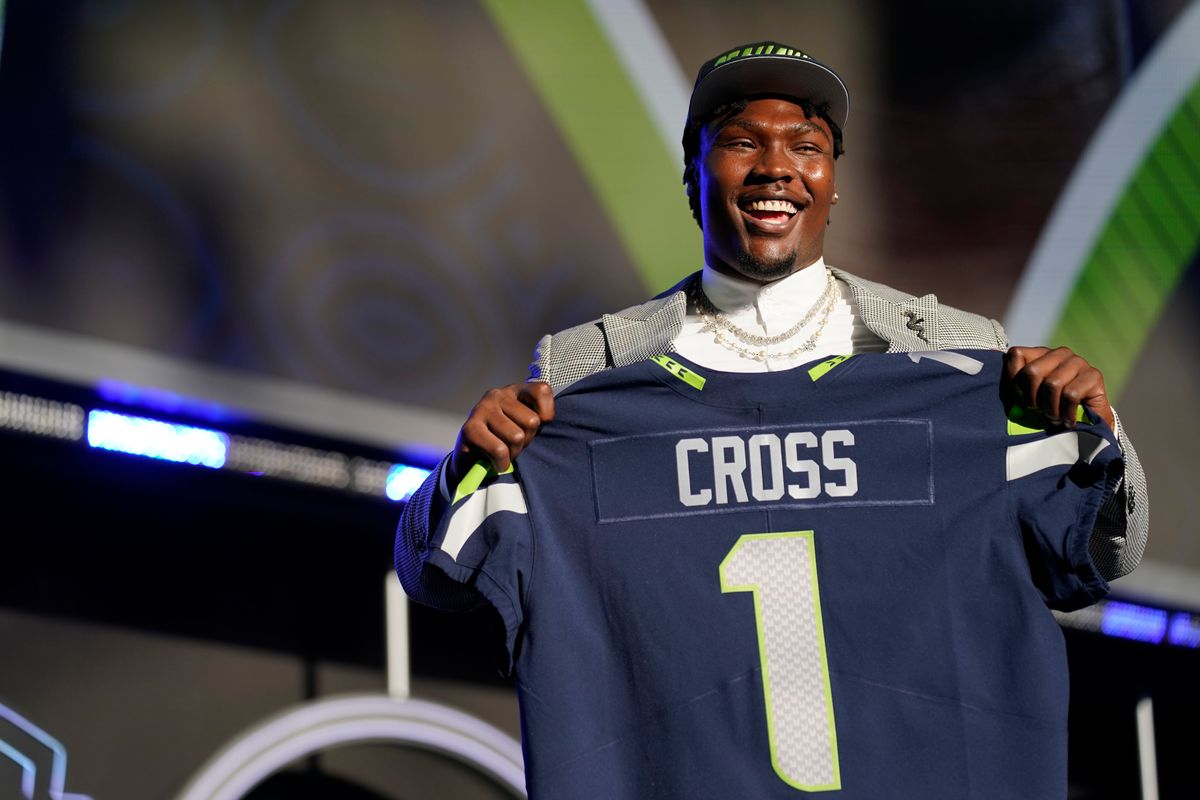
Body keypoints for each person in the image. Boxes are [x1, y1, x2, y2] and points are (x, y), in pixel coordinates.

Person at [396, 42, 1148, 797]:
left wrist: (1099, 427)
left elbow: (1112, 553)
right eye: (741, 142)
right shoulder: (586, 376)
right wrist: (464, 468)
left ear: (833, 186)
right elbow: (433, 577)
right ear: (692, 181)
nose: (776, 167)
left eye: (807, 147)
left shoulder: (958, 360)